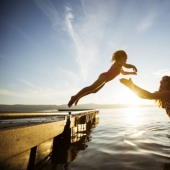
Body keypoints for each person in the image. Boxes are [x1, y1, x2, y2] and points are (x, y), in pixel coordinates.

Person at [68, 50, 138, 108]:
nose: (126, 60)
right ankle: (74, 97)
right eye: (125, 58)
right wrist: (133, 66)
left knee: (94, 91)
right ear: (120, 57)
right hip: (104, 77)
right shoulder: (119, 62)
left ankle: (78, 97)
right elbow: (127, 65)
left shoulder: (120, 66)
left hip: (105, 80)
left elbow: (123, 73)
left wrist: (132, 73)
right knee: (91, 87)